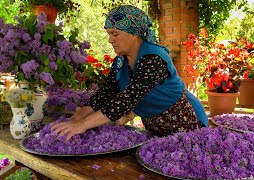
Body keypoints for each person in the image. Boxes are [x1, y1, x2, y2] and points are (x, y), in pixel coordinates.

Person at [51, 5, 208, 141]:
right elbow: (106, 93)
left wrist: (83, 125)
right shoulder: (121, 61)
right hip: (156, 127)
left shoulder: (153, 58)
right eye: (109, 34)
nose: (110, 40)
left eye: (115, 34)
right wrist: (76, 118)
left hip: (185, 120)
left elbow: (128, 97)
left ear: (134, 33)